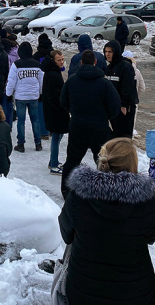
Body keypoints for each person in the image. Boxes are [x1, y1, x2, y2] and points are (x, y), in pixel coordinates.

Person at [59, 137, 155, 305]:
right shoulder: (146, 200)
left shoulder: (79, 195)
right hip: (135, 292)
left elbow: (66, 234)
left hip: (83, 288)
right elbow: (152, 236)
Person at [59, 50, 121, 199]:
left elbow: (63, 101)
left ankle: (66, 190)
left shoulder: (72, 80)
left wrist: (74, 112)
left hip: (78, 125)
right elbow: (115, 105)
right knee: (102, 160)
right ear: (95, 62)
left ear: (81, 63)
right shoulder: (104, 83)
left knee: (72, 159)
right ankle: (105, 191)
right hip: (99, 127)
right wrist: (105, 117)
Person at [6, 42, 44, 152]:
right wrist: (41, 93)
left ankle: (21, 144)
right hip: (34, 96)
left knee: (21, 121)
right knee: (35, 120)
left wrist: (9, 94)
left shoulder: (16, 65)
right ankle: (38, 143)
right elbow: (41, 81)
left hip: (21, 97)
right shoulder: (37, 65)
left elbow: (11, 81)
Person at [103, 40, 139, 139]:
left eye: (110, 52)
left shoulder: (125, 67)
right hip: (113, 108)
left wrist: (124, 105)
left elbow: (128, 88)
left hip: (124, 108)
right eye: (106, 52)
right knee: (116, 136)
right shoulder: (109, 68)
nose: (107, 54)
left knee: (124, 138)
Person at [42, 50, 69, 174]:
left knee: (57, 137)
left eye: (62, 59)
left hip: (53, 110)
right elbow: (54, 96)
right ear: (53, 61)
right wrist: (62, 107)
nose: (62, 62)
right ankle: (53, 164)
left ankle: (53, 161)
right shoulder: (53, 74)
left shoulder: (51, 72)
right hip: (56, 111)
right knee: (56, 137)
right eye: (59, 60)